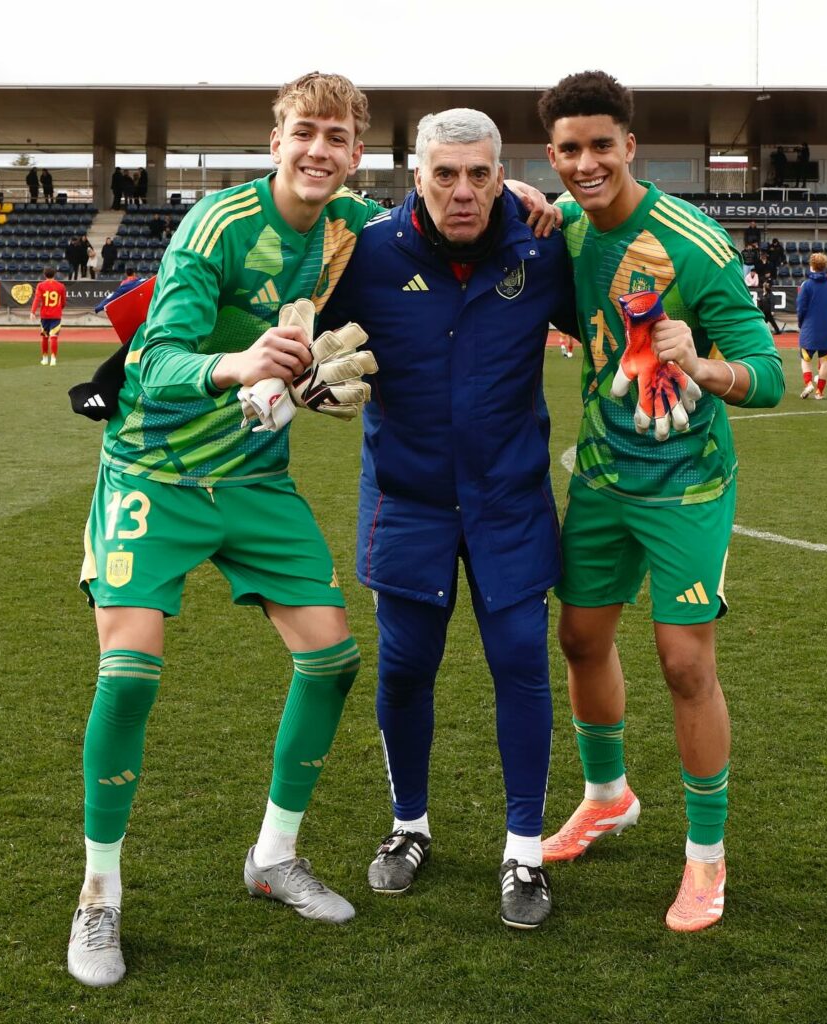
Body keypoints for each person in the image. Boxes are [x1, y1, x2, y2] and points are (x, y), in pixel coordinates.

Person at [66, 71, 385, 990]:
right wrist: (239, 363)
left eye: (336, 136)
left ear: (356, 153)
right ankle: (98, 894)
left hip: (251, 474)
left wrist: (534, 201)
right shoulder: (216, 225)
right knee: (128, 675)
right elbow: (154, 360)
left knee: (332, 659)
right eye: (305, 132)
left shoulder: (352, 225)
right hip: (154, 472)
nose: (319, 149)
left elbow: (434, 232)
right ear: (275, 140)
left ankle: (273, 857)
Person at [537, 70, 784, 933]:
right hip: (603, 474)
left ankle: (706, 860)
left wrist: (704, 362)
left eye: (601, 145)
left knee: (685, 661)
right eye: (569, 149)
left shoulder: (696, 243)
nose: (586, 163)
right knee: (579, 637)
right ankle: (607, 797)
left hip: (688, 484)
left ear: (630, 146)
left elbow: (771, 375)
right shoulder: (562, 227)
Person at [320, 108, 576, 931]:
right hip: (409, 503)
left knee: (519, 665)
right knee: (404, 669)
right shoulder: (364, 254)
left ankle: (525, 849)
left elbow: (613, 303)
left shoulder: (542, 247)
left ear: (502, 174)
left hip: (510, 502)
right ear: (417, 175)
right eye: (444, 174)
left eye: (479, 174)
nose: (462, 192)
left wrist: (563, 208)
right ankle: (409, 827)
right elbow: (289, 310)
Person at [796, 252, 827, 399]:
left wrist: (801, 323)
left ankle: (808, 383)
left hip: (809, 327)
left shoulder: (807, 285)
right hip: (826, 328)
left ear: (811, 266)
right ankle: (819, 392)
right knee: (824, 360)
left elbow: (801, 307)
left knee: (805, 359)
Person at [30, 264, 67, 365]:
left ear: (44, 274)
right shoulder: (61, 286)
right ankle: (53, 359)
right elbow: (63, 302)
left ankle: (45, 359)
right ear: (55, 274)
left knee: (45, 337)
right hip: (56, 315)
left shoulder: (40, 285)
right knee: (54, 337)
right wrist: (59, 308)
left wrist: (32, 312)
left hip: (45, 315)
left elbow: (37, 299)